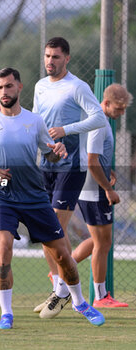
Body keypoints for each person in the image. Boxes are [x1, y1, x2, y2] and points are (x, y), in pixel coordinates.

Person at [0, 67, 105, 329]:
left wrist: (57, 151)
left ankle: (80, 302)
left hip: (34, 197)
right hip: (2, 198)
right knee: (3, 249)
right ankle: (6, 314)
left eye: (8, 86)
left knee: (63, 255)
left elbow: (47, 154)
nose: (4, 92)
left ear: (19, 87)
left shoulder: (35, 121)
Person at [33, 36, 106, 317]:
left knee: (54, 228)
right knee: (44, 231)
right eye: (47, 56)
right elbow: (38, 122)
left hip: (71, 166)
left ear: (67, 59)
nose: (50, 61)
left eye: (56, 57)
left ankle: (65, 290)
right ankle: (58, 288)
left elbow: (98, 117)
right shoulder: (40, 86)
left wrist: (66, 130)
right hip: (46, 165)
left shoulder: (77, 86)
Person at [71, 83, 133, 307]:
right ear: (106, 103)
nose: (121, 113)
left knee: (98, 240)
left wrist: (109, 171)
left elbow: (94, 156)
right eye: (119, 108)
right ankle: (100, 297)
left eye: (124, 109)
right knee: (103, 244)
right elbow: (91, 161)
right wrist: (107, 188)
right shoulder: (98, 123)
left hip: (91, 187)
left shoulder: (100, 120)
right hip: (94, 190)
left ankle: (63, 270)